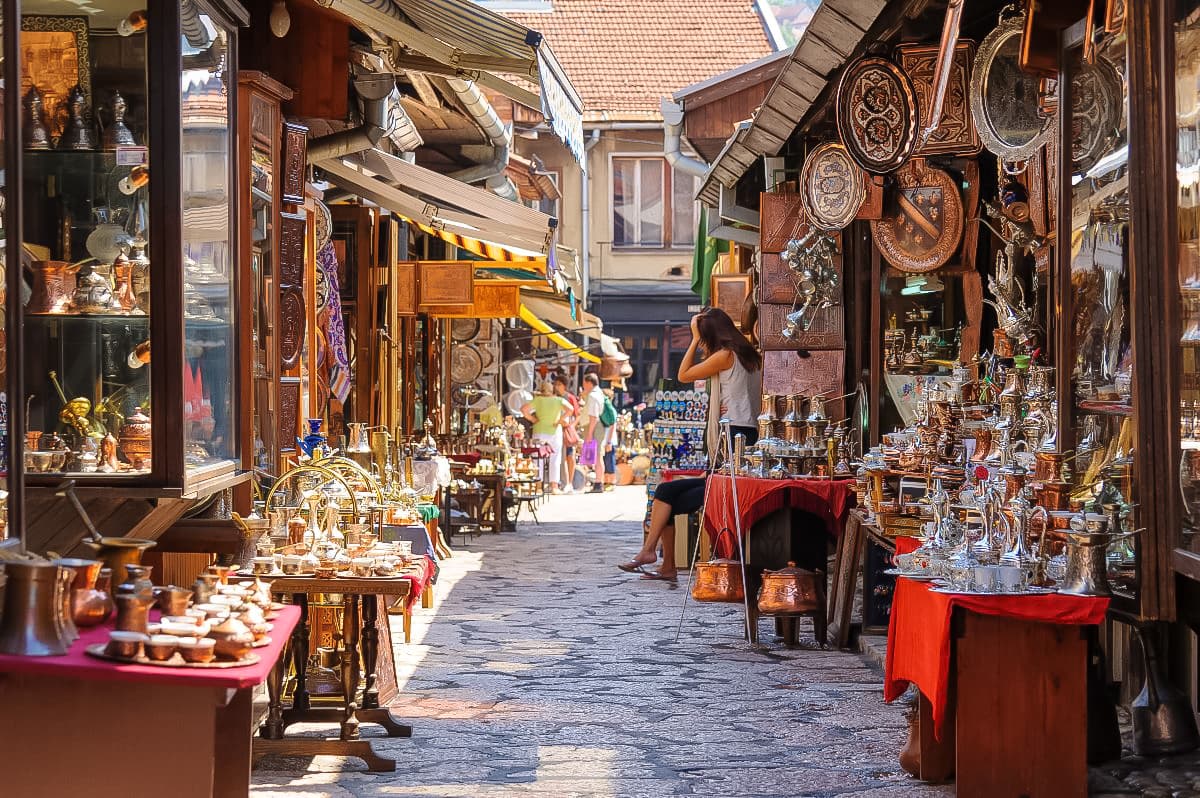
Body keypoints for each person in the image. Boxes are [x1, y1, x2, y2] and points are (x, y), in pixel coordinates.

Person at [618, 307, 762, 583]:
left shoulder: (725, 356)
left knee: (670, 495)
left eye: (704, 339)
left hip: (733, 437)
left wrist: (693, 339)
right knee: (666, 492)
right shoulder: (748, 356)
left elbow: (683, 375)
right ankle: (660, 560)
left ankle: (654, 554)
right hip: (745, 434)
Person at [521, 381, 570, 493]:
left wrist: (533, 419)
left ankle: (538, 487)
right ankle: (554, 487)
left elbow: (523, 409)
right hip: (554, 431)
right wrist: (560, 420)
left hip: (539, 431)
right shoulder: (558, 400)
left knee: (538, 459)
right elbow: (570, 409)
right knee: (555, 458)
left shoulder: (538, 400)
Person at [553, 374, 580, 492]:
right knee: (560, 457)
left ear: (564, 386)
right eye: (555, 384)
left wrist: (572, 426)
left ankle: (570, 482)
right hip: (557, 429)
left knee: (570, 455)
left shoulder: (570, 398)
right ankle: (562, 481)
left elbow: (577, 415)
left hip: (568, 429)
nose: (556, 387)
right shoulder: (554, 398)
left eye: (559, 384)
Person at [582, 372, 608, 493]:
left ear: (588, 383)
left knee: (597, 456)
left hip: (594, 427)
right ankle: (598, 482)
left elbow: (593, 416)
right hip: (597, 427)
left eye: (584, 383)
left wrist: (589, 434)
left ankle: (598, 483)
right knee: (598, 455)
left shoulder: (593, 396)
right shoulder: (599, 394)